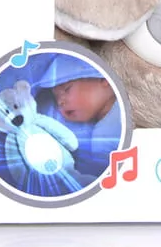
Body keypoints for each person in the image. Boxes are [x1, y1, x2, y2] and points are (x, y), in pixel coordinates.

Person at [32, 54, 122, 185]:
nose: (60, 102)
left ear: (104, 79)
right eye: (56, 99)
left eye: (67, 89)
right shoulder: (101, 139)